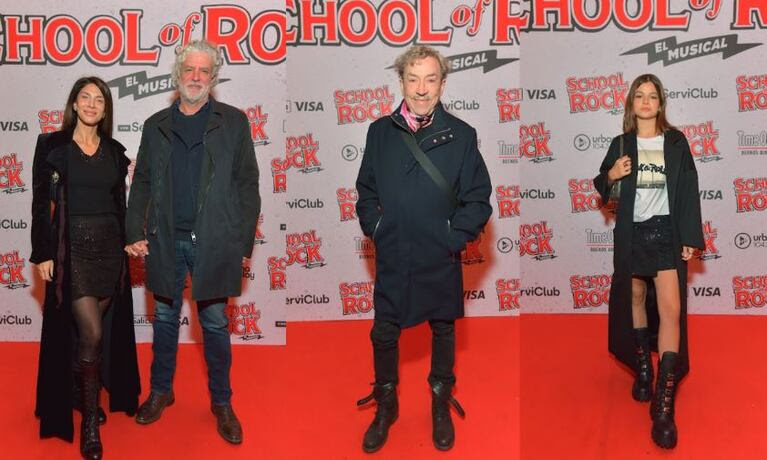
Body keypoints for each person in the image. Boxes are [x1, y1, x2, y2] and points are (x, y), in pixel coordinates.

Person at [354, 45, 492, 453]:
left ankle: (438, 403)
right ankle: (387, 403)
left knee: (444, 328)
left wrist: (452, 238)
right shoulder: (379, 132)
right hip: (394, 251)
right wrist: (377, 227)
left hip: (438, 254)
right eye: (413, 78)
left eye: (430, 79)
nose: (421, 88)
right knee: (383, 331)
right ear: (401, 81)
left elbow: (479, 199)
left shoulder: (462, 135)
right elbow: (365, 191)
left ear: (443, 83)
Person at [124, 39, 260, 445]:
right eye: (189, 70)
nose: (196, 77)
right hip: (166, 241)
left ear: (213, 77)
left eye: (204, 71)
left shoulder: (234, 123)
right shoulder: (155, 125)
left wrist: (240, 242)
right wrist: (134, 230)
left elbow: (247, 185)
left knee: (215, 325)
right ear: (177, 76)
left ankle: (221, 402)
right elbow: (143, 181)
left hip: (216, 242)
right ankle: (161, 392)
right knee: (164, 321)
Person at [31, 76, 140, 459]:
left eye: (100, 99)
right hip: (70, 251)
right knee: (91, 332)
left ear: (106, 109)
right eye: (85, 97)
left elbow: (121, 206)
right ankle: (90, 423)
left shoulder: (115, 152)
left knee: (88, 336)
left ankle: (82, 389)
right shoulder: (51, 146)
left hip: (109, 252)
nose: (92, 104)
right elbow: (41, 204)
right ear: (74, 105)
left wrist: (131, 239)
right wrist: (42, 253)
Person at [593, 74, 704, 449]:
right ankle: (644, 370)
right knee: (635, 299)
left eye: (651, 96)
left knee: (672, 310)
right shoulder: (621, 143)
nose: (645, 101)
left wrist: (690, 237)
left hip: (667, 234)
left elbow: (689, 187)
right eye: (639, 95)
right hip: (632, 233)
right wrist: (611, 173)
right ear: (631, 103)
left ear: (660, 103)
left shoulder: (675, 141)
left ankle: (664, 404)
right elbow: (601, 184)